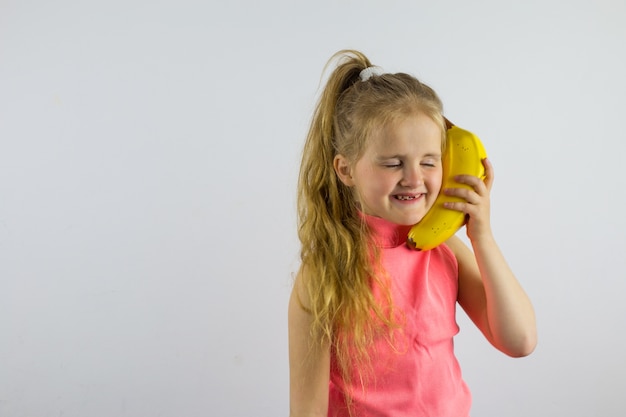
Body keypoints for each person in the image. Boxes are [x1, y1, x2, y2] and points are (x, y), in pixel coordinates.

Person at [288, 49, 537, 417]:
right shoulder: (325, 272)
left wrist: (481, 236)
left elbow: (520, 341)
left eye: (429, 161)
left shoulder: (444, 250)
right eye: (393, 163)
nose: (414, 178)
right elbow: (306, 409)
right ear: (345, 170)